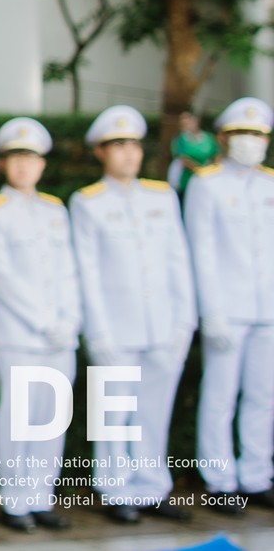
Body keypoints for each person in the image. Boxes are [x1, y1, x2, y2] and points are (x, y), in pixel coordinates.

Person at [68, 105, 195, 525]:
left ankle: (152, 486)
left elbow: (179, 260)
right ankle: (114, 487)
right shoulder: (88, 202)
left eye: (134, 145)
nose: (128, 153)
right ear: (101, 152)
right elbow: (87, 271)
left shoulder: (161, 196)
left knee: (153, 411)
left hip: (162, 324)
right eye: (118, 145)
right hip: (117, 328)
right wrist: (97, 330)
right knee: (114, 414)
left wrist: (185, 320)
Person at [0, 118, 78, 533]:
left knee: (52, 417)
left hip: (59, 333)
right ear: (3, 164)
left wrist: (70, 319)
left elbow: (68, 271)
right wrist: (43, 320)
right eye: (15, 157)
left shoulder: (55, 209)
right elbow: (1, 276)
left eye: (30, 158)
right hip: (16, 333)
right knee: (19, 416)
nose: (23, 166)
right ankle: (14, 500)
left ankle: (41, 496)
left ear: (41, 164)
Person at [183, 96, 274, 515]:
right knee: (220, 395)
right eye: (242, 134)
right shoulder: (207, 183)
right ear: (223, 138)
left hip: (267, 307)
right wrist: (211, 310)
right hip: (228, 309)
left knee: (264, 394)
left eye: (257, 135)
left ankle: (257, 474)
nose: (250, 142)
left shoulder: (271, 184)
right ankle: (220, 480)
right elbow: (200, 251)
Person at [170, 109, 219, 193]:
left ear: (195, 121)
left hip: (209, 180)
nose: (185, 124)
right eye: (182, 122)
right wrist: (200, 171)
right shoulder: (180, 139)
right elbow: (184, 159)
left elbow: (217, 155)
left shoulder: (209, 138)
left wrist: (213, 171)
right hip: (187, 181)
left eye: (187, 121)